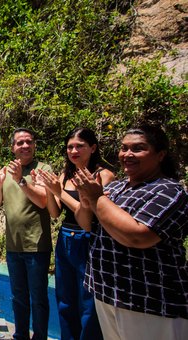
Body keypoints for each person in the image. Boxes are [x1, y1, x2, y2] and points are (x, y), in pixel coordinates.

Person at [73, 124, 188, 340]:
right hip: (107, 294)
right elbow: (86, 224)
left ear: (160, 154)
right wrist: (87, 200)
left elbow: (137, 236)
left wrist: (97, 198)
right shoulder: (115, 188)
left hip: (148, 302)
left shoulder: (169, 191)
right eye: (124, 148)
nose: (127, 154)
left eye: (138, 148)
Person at [36, 127, 114, 340]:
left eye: (80, 146)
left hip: (90, 239)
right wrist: (50, 191)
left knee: (89, 301)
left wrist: (58, 191)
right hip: (65, 237)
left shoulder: (103, 176)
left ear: (93, 148)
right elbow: (54, 213)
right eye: (70, 146)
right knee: (65, 299)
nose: (74, 150)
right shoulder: (64, 175)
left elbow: (86, 217)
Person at [0, 128, 52, 340]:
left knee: (38, 298)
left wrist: (21, 181)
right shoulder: (6, 171)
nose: (25, 146)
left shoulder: (43, 169)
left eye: (29, 142)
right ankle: (21, 336)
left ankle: (40, 337)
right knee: (18, 297)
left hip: (36, 246)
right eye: (20, 143)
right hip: (13, 247)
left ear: (34, 145)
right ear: (13, 147)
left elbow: (43, 201)